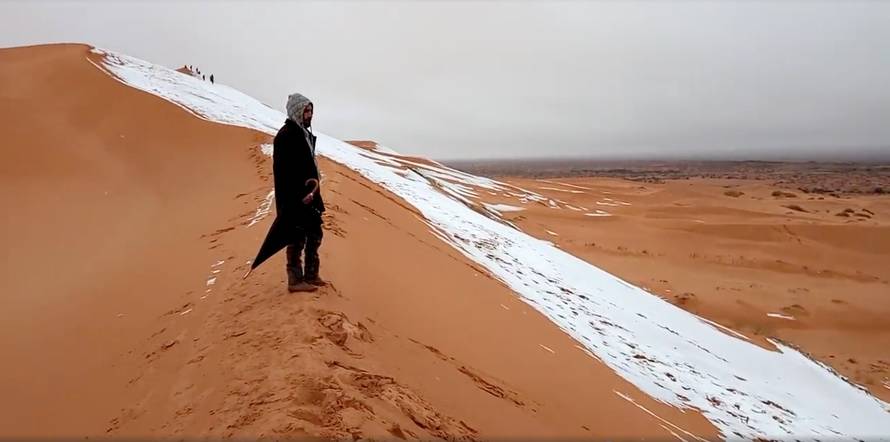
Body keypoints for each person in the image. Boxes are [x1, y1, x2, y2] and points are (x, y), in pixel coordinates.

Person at [273, 93, 325, 292]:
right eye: (306, 111)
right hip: (295, 197)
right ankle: (295, 280)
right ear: (297, 111)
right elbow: (284, 171)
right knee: (296, 236)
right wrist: (297, 195)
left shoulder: (302, 133)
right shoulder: (287, 135)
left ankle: (312, 275)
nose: (310, 114)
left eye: (311, 111)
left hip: (310, 194)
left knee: (315, 233)